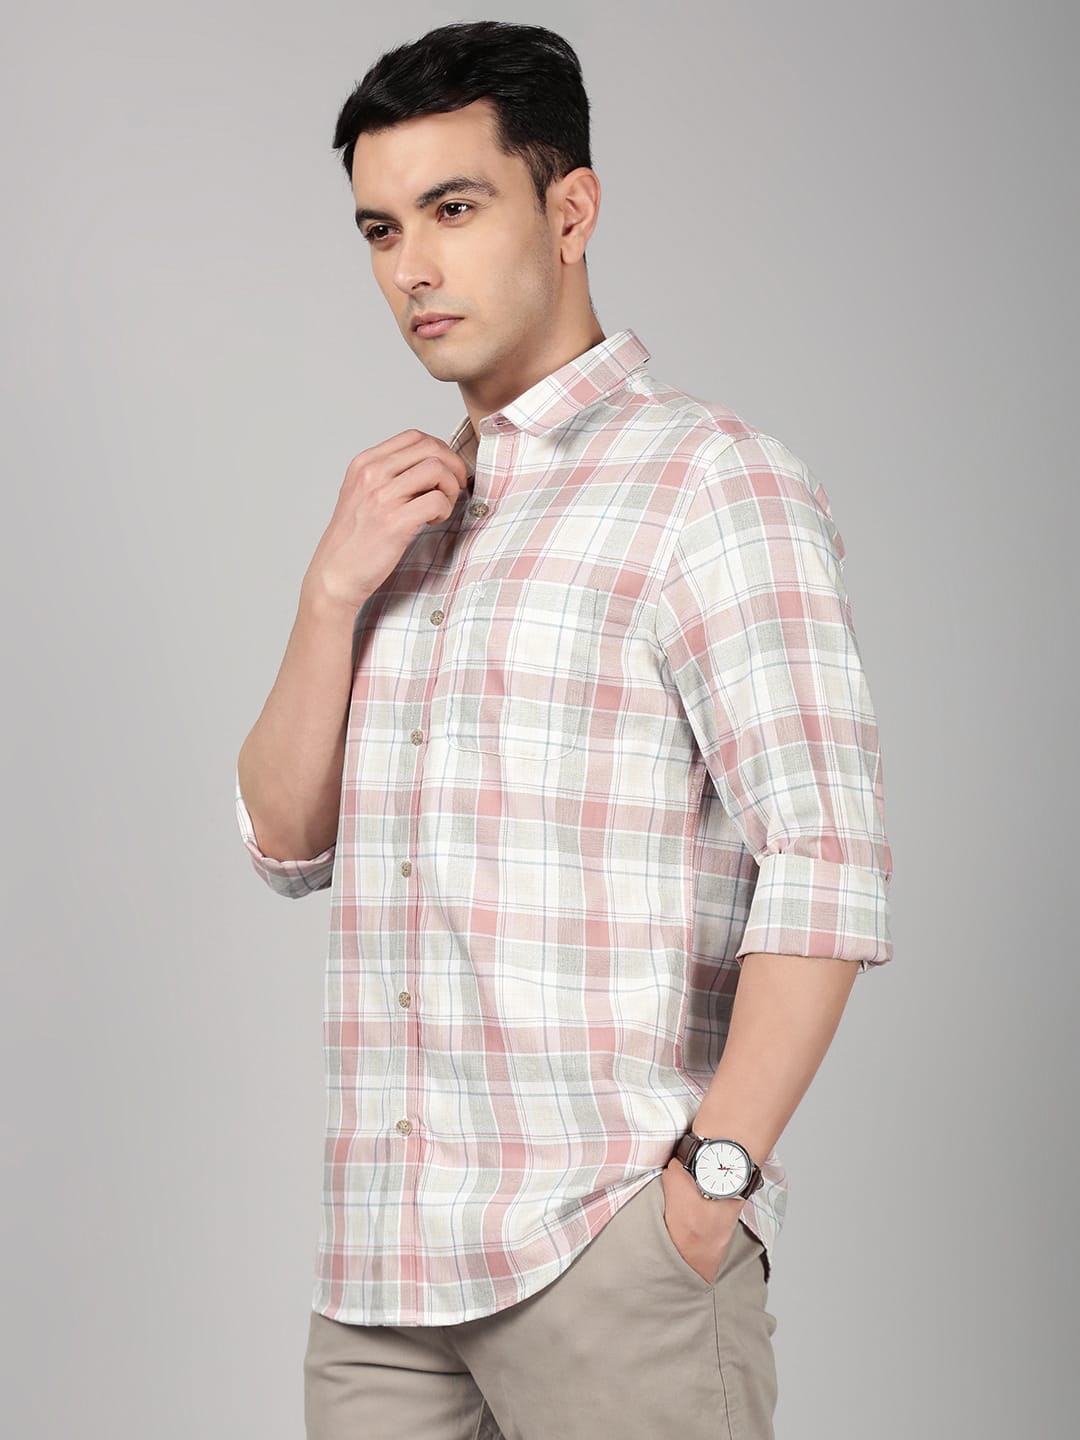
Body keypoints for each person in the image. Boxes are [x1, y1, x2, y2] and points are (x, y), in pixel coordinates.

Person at [233, 19, 894, 1440]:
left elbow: (827, 862)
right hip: (382, 1277)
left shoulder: (710, 483)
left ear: (571, 210)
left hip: (605, 1249)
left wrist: (709, 1191)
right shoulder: (396, 516)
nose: (411, 267)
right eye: (380, 229)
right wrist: (329, 590)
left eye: (453, 208)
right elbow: (285, 843)